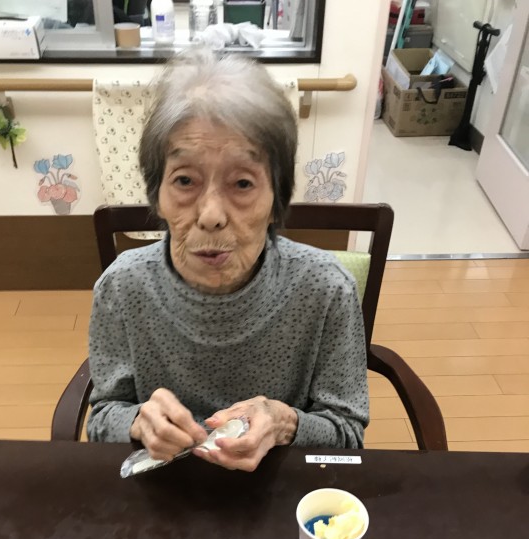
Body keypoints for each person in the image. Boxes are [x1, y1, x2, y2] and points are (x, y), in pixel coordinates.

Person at [87, 47, 369, 472]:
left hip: (278, 489)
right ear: (157, 196)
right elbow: (102, 418)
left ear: (276, 202)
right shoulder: (122, 288)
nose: (211, 215)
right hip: (164, 487)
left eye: (242, 183)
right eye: (185, 180)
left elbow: (347, 434)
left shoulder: (326, 290)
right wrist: (137, 422)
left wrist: (285, 424)